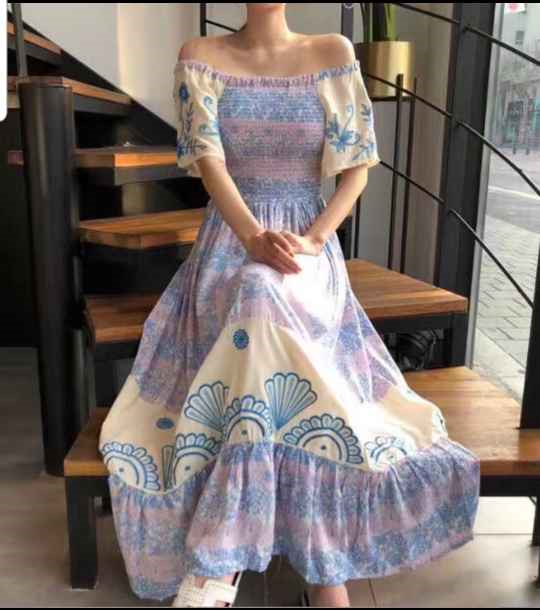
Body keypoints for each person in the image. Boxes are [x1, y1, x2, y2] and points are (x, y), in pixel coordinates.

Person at [98, 3, 481, 608]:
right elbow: (209, 165)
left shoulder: (332, 52)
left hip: (307, 245)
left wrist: (314, 240)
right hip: (229, 246)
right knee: (255, 290)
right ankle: (324, 577)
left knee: (265, 299)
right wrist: (253, 238)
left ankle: (221, 561)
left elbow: (356, 168)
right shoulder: (201, 57)